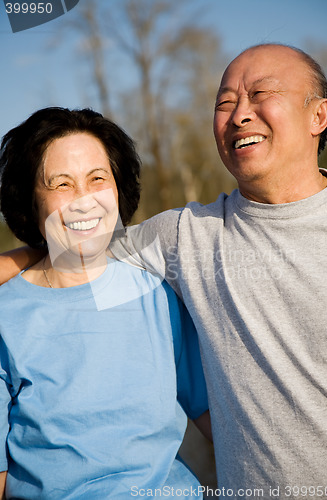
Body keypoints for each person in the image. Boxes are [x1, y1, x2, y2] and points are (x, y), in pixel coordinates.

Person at [1, 43, 327, 498]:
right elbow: (79, 243)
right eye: (225, 102)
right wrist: (22, 259)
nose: (239, 115)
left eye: (260, 94)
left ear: (320, 115)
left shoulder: (162, 274)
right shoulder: (184, 236)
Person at [0, 107, 211, 499]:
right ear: (31, 199)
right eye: (61, 184)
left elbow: (215, 419)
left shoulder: (158, 296)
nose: (84, 201)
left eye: (98, 178)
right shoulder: (7, 317)